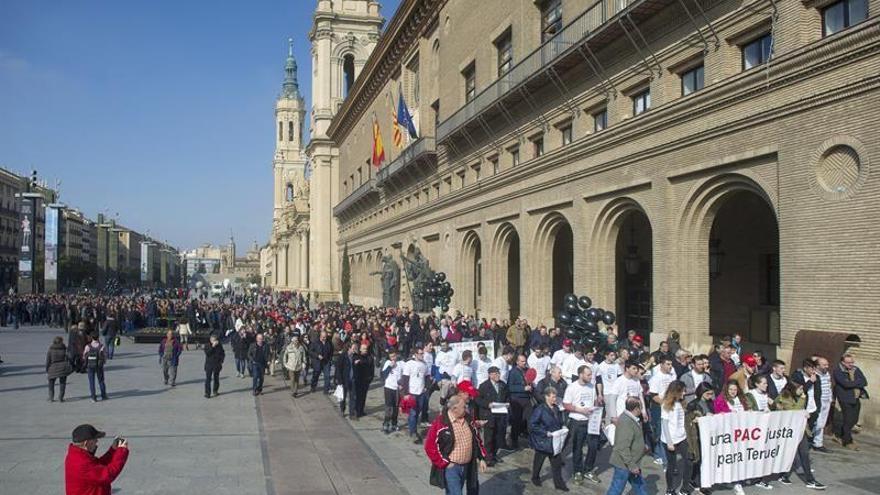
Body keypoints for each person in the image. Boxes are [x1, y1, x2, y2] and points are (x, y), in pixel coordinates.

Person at [424, 394, 488, 495]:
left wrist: (481, 458)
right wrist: (444, 462)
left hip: (467, 465)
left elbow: (476, 439)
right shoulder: (441, 423)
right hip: (452, 468)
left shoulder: (468, 419)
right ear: (454, 408)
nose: (466, 408)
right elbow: (429, 446)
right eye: (463, 407)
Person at [773, 378, 826, 490]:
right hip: (787, 431)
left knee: (804, 454)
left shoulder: (801, 396)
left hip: (800, 429)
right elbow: (794, 411)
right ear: (793, 389)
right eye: (800, 388)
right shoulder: (783, 398)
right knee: (790, 455)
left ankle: (810, 480)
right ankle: (784, 475)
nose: (803, 391)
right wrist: (802, 404)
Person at [65, 424, 129, 495]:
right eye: (95, 439)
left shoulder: (78, 455)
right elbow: (107, 475)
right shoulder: (82, 463)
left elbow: (99, 465)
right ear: (86, 443)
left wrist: (113, 450)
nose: (97, 441)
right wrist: (122, 451)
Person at [563, 364, 601, 485]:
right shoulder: (572, 387)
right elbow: (566, 404)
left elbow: (594, 401)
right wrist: (581, 410)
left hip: (591, 421)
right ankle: (578, 471)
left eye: (591, 374)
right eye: (588, 374)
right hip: (577, 421)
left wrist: (597, 413)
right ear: (581, 375)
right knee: (577, 447)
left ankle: (588, 469)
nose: (591, 376)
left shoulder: (591, 386)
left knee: (593, 446)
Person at [529, 387, 568, 491]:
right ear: (547, 397)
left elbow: (560, 421)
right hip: (543, 441)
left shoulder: (557, 408)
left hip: (555, 441)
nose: (555, 399)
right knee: (538, 462)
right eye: (553, 397)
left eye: (555, 396)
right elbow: (532, 425)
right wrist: (545, 433)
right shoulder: (540, 409)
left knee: (557, 464)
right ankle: (535, 477)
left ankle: (559, 483)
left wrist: (563, 426)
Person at [607, 397, 647, 495]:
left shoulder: (630, 419)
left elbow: (633, 439)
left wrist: (642, 446)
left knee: (640, 486)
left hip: (632, 462)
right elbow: (623, 447)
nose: (642, 410)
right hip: (624, 464)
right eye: (641, 408)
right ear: (636, 409)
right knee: (616, 489)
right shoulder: (627, 422)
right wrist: (632, 466)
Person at [832, 352, 867, 451]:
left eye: (852, 362)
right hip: (845, 398)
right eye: (848, 363)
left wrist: (852, 383)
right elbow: (844, 384)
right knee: (848, 419)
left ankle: (840, 434)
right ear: (843, 362)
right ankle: (847, 441)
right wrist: (856, 383)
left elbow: (864, 381)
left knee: (854, 420)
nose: (851, 364)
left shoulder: (856, 369)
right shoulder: (838, 371)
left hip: (856, 397)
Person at [475, 365, 509, 466]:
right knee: (489, 437)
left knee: (498, 436)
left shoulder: (503, 385)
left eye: (498, 373)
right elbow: (478, 399)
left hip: (500, 414)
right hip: (489, 415)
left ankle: (494, 454)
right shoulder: (484, 386)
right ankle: (488, 457)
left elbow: (507, 397)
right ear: (490, 375)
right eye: (495, 373)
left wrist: (507, 403)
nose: (498, 375)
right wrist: (487, 404)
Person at [684, 383, 715, 493]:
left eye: (711, 393)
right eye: (708, 393)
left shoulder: (710, 402)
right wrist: (697, 419)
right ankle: (696, 480)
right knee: (698, 458)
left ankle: (700, 480)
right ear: (702, 392)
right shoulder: (693, 404)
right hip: (697, 434)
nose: (710, 396)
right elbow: (688, 420)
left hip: (707, 435)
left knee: (705, 459)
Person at [660, 381, 690, 495]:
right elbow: (665, 423)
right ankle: (670, 489)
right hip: (670, 439)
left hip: (682, 437)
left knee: (688, 461)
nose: (684, 393)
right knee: (672, 465)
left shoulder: (681, 403)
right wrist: (669, 442)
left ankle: (685, 488)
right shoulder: (666, 404)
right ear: (676, 392)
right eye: (682, 391)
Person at [401, 345, 429, 443]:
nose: (422, 355)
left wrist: (426, 387)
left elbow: (427, 376)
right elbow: (405, 379)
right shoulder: (409, 364)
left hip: (421, 392)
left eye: (423, 353)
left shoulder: (424, 364)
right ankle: (413, 432)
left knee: (417, 412)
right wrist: (406, 393)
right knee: (412, 413)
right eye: (420, 354)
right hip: (412, 392)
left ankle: (412, 427)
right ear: (415, 354)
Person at [507, 354, 532, 449]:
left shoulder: (527, 371)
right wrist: (523, 388)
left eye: (525, 361)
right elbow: (510, 387)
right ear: (517, 362)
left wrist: (530, 387)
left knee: (529, 420)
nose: (524, 363)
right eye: (522, 361)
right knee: (516, 421)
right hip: (516, 400)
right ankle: (514, 441)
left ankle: (530, 441)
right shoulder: (513, 372)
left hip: (527, 399)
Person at [812, 355, 833, 452]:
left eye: (827, 364)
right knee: (818, 423)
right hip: (818, 402)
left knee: (822, 423)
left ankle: (818, 443)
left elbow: (829, 386)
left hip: (826, 401)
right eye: (824, 365)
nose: (826, 366)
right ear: (817, 366)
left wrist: (830, 398)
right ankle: (812, 440)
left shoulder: (827, 374)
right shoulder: (814, 375)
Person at [381, 350, 402, 433]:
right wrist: (390, 367)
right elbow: (383, 375)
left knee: (396, 407)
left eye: (394, 356)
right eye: (391, 356)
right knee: (389, 407)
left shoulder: (400, 364)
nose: (393, 358)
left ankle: (394, 423)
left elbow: (403, 375)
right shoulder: (387, 363)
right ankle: (386, 424)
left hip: (397, 389)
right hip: (388, 388)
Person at [46, 336, 72, 402]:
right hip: (63, 368)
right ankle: (61, 397)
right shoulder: (64, 349)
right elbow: (69, 357)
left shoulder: (50, 350)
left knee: (51, 383)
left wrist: (47, 369)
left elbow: (48, 361)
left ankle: (51, 397)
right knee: (62, 383)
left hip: (52, 367)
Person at [83, 333, 107, 402]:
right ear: (98, 337)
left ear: (91, 338)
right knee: (101, 380)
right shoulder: (101, 346)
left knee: (91, 381)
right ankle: (103, 395)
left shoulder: (88, 346)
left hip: (90, 365)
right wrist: (104, 362)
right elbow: (104, 356)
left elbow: (84, 355)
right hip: (99, 365)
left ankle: (93, 397)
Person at [352, 343, 375, 419]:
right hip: (358, 379)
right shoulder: (357, 356)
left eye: (366, 349)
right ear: (360, 349)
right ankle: (356, 411)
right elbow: (353, 366)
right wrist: (356, 363)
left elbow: (372, 368)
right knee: (357, 396)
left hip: (366, 379)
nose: (365, 350)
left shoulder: (369, 357)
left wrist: (371, 377)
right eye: (363, 349)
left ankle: (361, 410)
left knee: (363, 396)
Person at [282, 331, 307, 397]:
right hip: (291, 366)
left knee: (297, 379)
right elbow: (285, 356)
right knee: (292, 379)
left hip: (298, 366)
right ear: (292, 341)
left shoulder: (301, 347)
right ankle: (293, 391)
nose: (296, 341)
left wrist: (304, 362)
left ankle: (295, 391)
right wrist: (285, 364)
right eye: (295, 340)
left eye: (297, 340)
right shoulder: (289, 347)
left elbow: (304, 356)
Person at [203, 334, 225, 398]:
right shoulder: (207, 345)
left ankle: (215, 390)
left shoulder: (219, 345)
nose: (214, 341)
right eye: (213, 340)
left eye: (215, 340)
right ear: (210, 340)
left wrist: (221, 361)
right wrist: (212, 346)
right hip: (209, 365)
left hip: (217, 364)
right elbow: (207, 353)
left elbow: (222, 353)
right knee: (208, 379)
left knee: (216, 378)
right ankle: (207, 393)